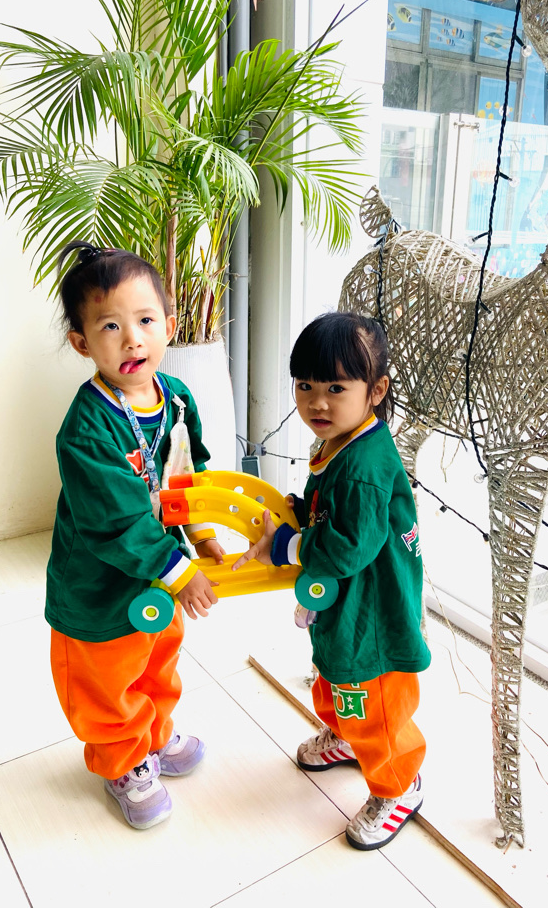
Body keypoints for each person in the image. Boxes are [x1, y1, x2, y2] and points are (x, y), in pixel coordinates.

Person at [233, 312, 430, 851]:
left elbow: (347, 545)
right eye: (305, 386)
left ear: (376, 391)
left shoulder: (364, 467)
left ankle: (399, 783)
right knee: (336, 676)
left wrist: (288, 545)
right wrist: (297, 512)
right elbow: (329, 511)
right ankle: (346, 735)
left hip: (375, 611)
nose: (317, 403)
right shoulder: (338, 441)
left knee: (373, 699)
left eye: (336, 389)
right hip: (347, 601)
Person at [45, 241, 224, 830]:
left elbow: (185, 476)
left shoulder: (177, 399)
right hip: (98, 587)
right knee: (108, 677)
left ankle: (156, 734)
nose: (131, 340)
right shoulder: (87, 429)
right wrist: (181, 570)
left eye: (145, 321)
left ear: (169, 325)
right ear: (82, 343)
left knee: (159, 656)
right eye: (110, 326)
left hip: (159, 574)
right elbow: (115, 521)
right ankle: (123, 761)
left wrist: (200, 535)